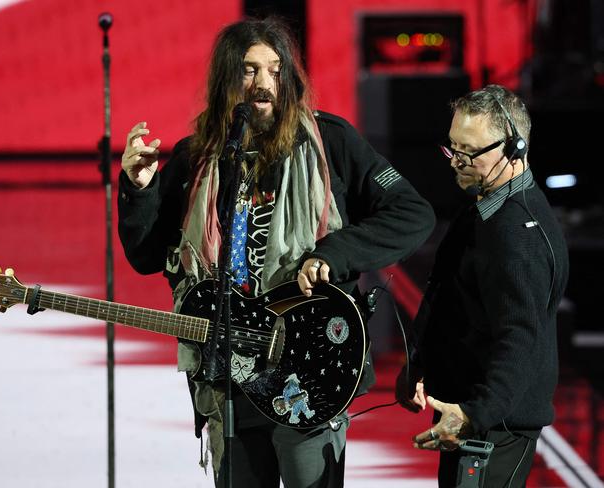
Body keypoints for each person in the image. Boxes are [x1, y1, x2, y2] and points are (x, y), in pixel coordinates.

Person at [118, 17, 435, 488]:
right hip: (231, 375)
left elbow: (413, 213)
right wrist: (139, 190)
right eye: (249, 71)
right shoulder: (199, 157)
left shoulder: (331, 142)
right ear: (227, 79)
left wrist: (334, 253)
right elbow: (146, 256)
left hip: (310, 370)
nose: (263, 84)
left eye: (275, 70)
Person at [395, 84, 569, 487]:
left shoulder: (517, 234)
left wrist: (476, 413)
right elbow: (449, 295)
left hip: (493, 425)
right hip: (475, 414)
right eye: (452, 148)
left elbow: (520, 338)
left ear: (515, 149)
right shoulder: (487, 210)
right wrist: (421, 359)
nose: (456, 161)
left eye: (469, 152)